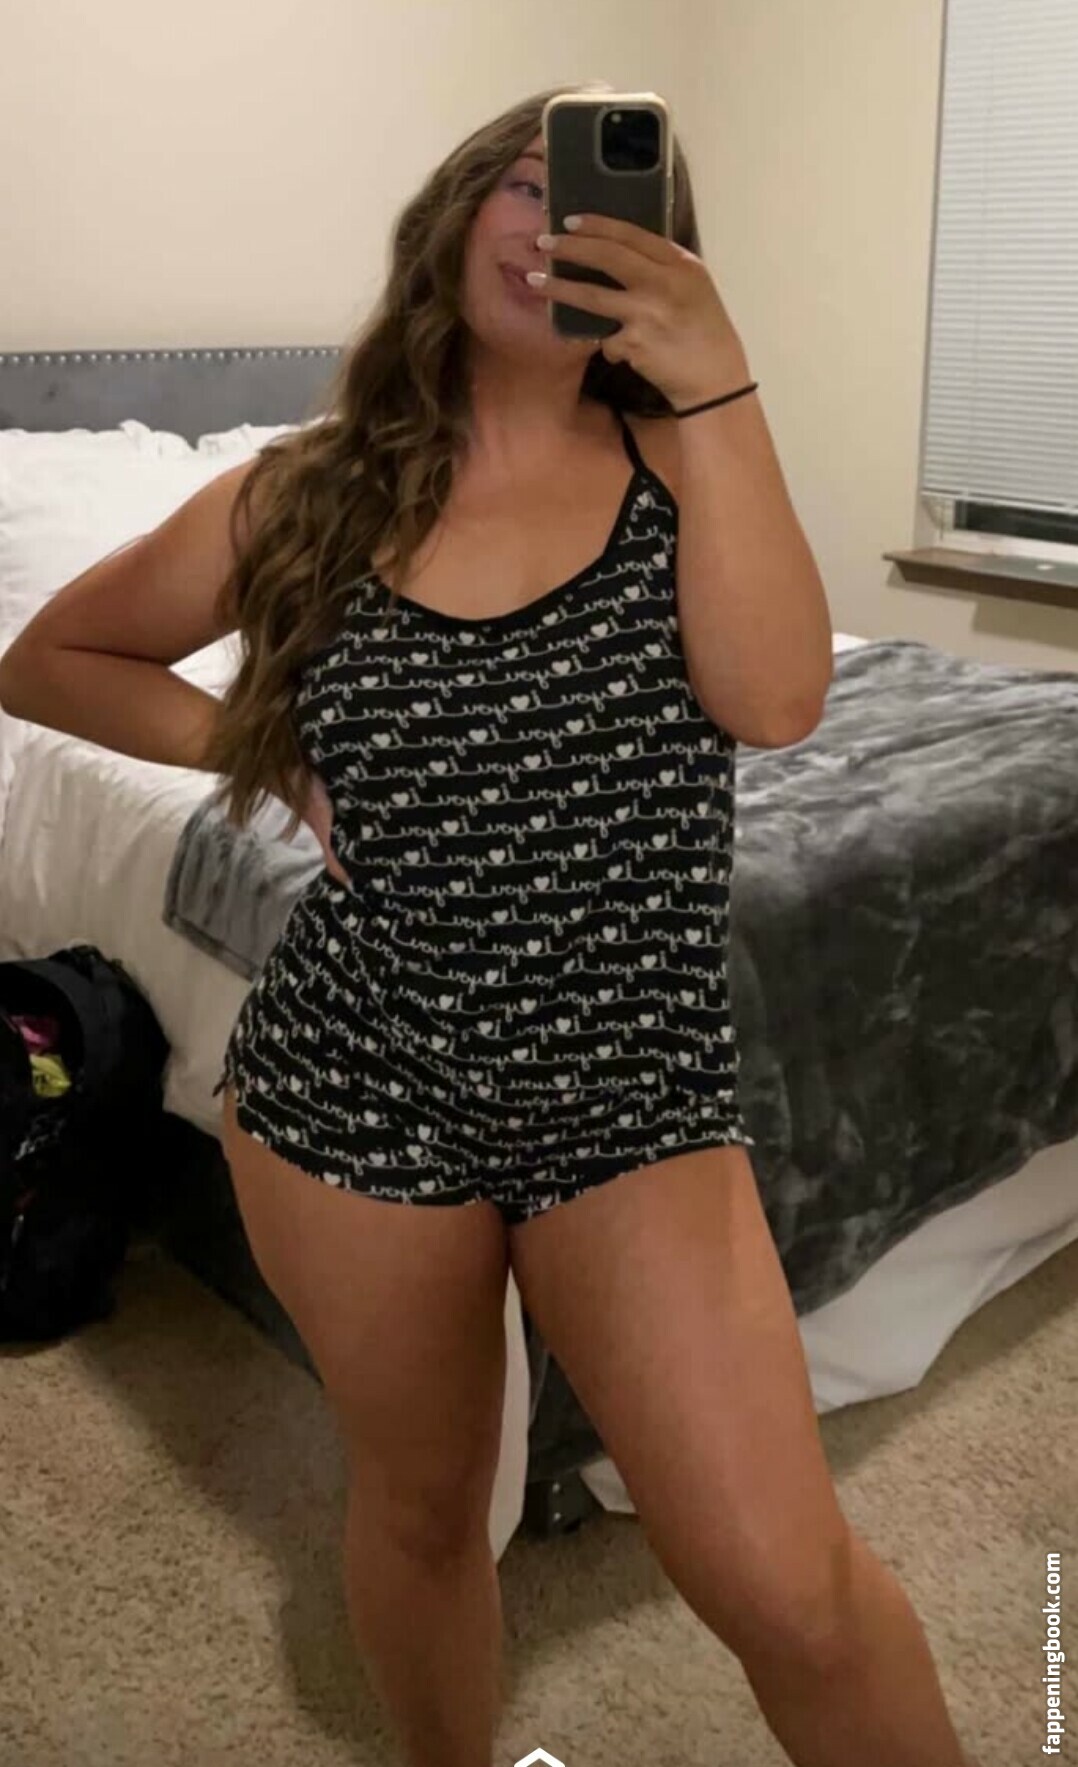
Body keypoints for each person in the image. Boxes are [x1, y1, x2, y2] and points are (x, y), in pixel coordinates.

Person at [1, 81, 977, 1767]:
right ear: (454, 220)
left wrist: (720, 384)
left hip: (631, 1088)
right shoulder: (300, 493)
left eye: (607, 198)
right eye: (527, 185)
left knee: (788, 1587)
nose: (558, 223)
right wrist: (263, 750)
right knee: (424, 1502)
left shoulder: (687, 461)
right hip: (352, 1078)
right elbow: (50, 662)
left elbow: (775, 701)